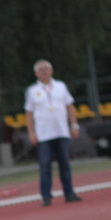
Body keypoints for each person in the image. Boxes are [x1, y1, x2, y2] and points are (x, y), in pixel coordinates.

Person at [24, 59, 83, 207]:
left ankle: (69, 193)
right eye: (41, 69)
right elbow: (29, 113)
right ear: (36, 73)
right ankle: (46, 196)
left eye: (47, 68)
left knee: (65, 163)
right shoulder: (32, 91)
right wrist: (31, 132)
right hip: (43, 134)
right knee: (45, 166)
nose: (44, 71)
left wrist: (74, 125)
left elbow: (70, 106)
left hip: (61, 131)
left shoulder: (61, 86)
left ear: (52, 71)